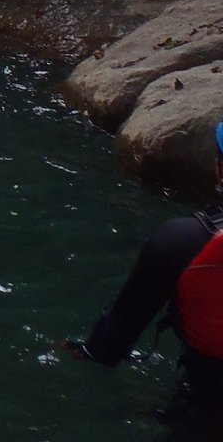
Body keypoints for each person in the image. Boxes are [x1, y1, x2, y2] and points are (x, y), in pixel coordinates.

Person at [66, 121, 223, 415]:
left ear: (219, 168)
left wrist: (80, 353)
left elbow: (110, 344)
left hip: (203, 409)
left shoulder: (179, 242)